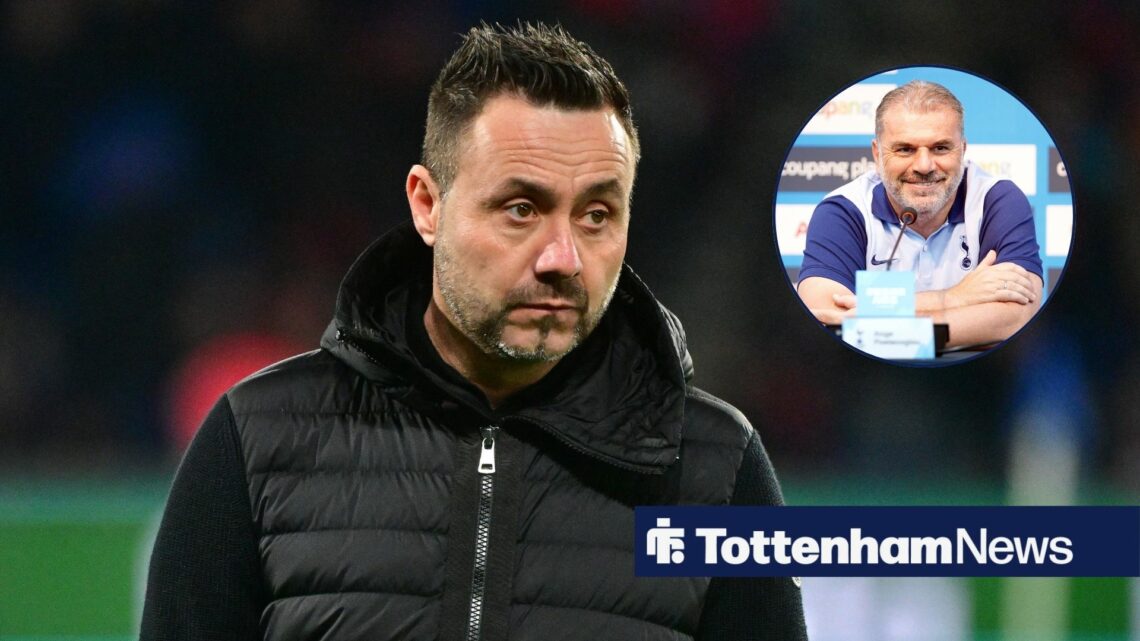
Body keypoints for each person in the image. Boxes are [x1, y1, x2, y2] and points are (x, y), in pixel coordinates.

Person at [141, 22, 806, 640]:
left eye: (598, 214)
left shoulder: (718, 469)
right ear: (428, 205)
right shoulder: (255, 440)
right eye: (521, 209)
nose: (563, 258)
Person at [796, 80, 1043, 349]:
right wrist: (954, 298)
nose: (924, 165)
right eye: (905, 149)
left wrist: (879, 318)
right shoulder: (843, 210)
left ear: (963, 150)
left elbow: (1017, 316)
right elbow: (826, 317)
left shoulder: (998, 199)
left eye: (940, 148)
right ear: (877, 154)